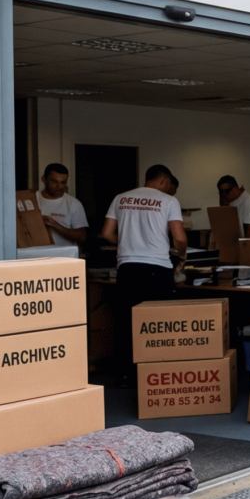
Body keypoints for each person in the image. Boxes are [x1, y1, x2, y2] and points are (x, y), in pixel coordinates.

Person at [102, 165, 187, 387]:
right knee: (159, 324)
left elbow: (106, 233)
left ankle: (125, 376)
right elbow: (179, 238)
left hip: (127, 268)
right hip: (157, 269)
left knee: (126, 322)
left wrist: (128, 243)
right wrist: (182, 255)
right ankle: (156, 375)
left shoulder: (120, 198)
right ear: (165, 181)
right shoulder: (169, 201)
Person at [37, 163, 90, 247]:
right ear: (44, 179)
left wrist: (55, 225)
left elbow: (81, 237)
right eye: (54, 181)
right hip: (34, 253)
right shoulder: (32, 199)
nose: (59, 186)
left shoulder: (73, 203)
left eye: (63, 182)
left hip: (63, 254)